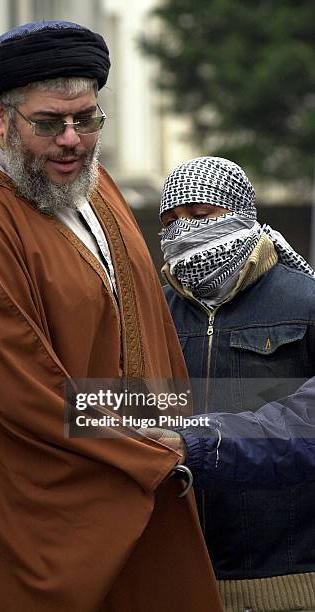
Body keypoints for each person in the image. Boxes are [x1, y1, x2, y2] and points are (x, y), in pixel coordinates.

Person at [0, 21, 223, 612]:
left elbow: (147, 337)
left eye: (88, 119)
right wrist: (150, 452)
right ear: (1, 118)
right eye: (49, 123)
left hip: (145, 475)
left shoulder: (95, 187)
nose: (72, 139)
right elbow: (21, 395)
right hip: (45, 521)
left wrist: (184, 430)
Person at [160, 156, 315, 612]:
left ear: (240, 214)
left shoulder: (305, 302)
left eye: (201, 216)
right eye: (171, 221)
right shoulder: (151, 310)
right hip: (182, 584)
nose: (183, 231)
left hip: (291, 586)